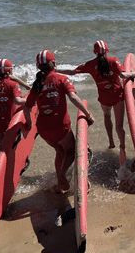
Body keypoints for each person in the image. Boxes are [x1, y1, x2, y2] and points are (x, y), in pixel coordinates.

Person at [24, 50, 94, 194]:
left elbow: (27, 107)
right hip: (61, 127)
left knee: (59, 150)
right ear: (54, 63)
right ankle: (62, 174)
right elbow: (73, 98)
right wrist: (87, 114)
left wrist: (29, 124)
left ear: (38, 67)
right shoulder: (61, 79)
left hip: (43, 130)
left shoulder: (37, 84)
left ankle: (60, 181)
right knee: (71, 151)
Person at [57, 40, 135, 161]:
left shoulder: (89, 64)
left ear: (94, 52)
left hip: (104, 98)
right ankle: (122, 147)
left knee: (107, 116)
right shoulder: (114, 61)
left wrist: (56, 70)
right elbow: (124, 75)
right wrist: (134, 73)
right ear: (107, 50)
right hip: (117, 96)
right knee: (119, 126)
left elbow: (72, 72)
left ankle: (111, 141)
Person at [0, 59, 30, 149]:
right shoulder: (13, 85)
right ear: (10, 71)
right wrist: (31, 101)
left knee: (1, 148)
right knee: (13, 149)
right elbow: (17, 100)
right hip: (8, 123)